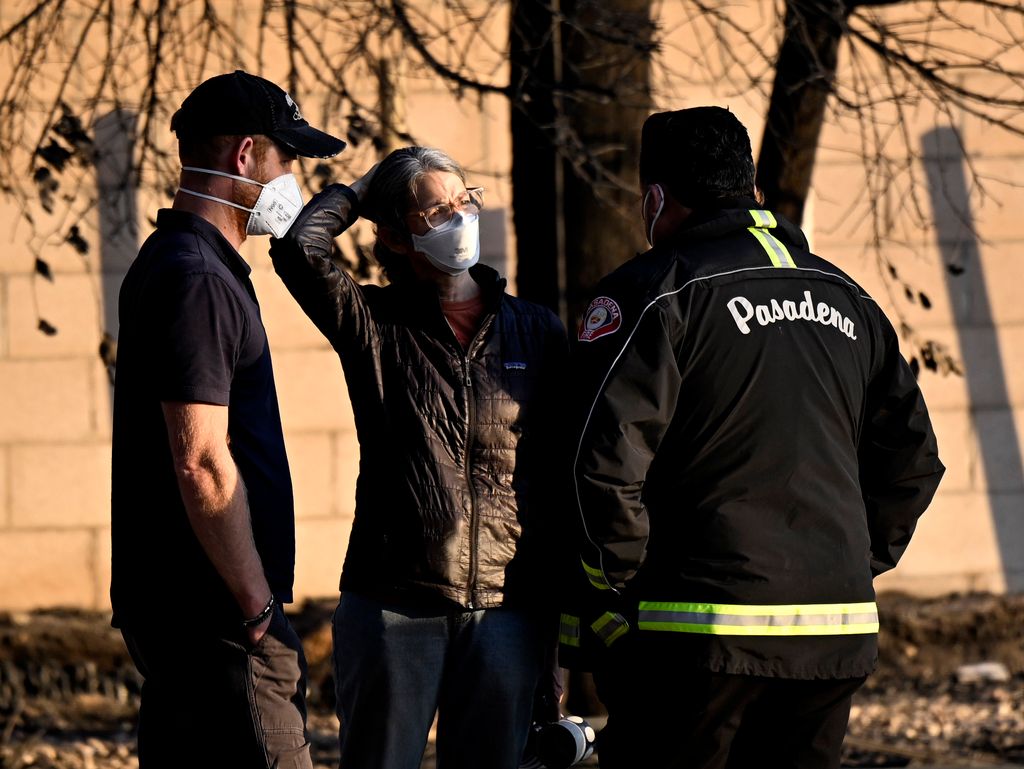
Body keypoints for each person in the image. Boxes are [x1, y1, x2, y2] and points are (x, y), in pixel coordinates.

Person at [563, 106, 945, 769]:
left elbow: (601, 467)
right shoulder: (850, 299)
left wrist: (618, 590)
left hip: (698, 638)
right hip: (834, 634)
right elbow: (913, 461)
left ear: (657, 199)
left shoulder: (655, 293)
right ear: (753, 190)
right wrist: (853, 560)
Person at [268, 146, 569, 769]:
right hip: (394, 601)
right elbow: (301, 249)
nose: (459, 218)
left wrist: (557, 617)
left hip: (507, 605)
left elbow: (559, 471)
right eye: (436, 211)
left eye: (464, 201)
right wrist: (365, 185)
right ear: (399, 238)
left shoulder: (536, 329)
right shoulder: (374, 323)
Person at [110, 70, 346, 769]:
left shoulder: (179, 262)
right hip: (217, 625)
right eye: (287, 158)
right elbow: (203, 461)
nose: (292, 178)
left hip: (188, 618)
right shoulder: (199, 279)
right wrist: (257, 610)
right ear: (246, 156)